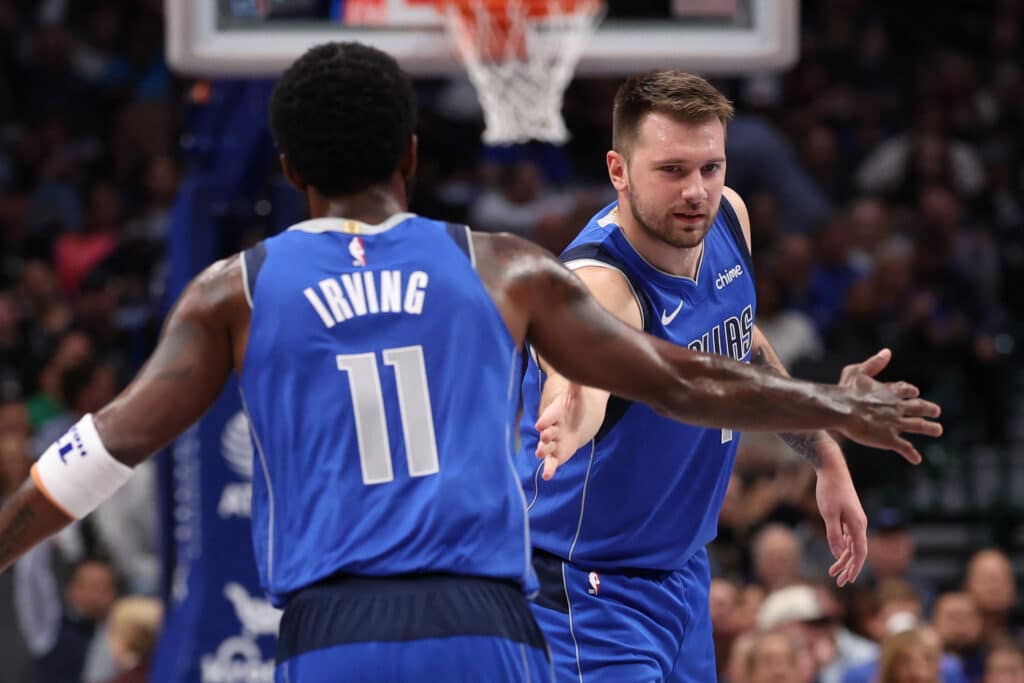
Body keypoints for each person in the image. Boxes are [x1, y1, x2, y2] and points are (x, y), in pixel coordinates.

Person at [0, 44, 941, 683]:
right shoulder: (500, 266)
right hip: (489, 621)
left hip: (337, 628)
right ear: (412, 154)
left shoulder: (233, 291)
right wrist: (830, 405)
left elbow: (103, 450)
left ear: (288, 171)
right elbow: (681, 376)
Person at [519, 70, 938, 682]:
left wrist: (823, 454)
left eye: (709, 168)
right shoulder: (599, 284)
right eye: (671, 170)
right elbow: (580, 381)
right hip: (588, 588)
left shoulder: (728, 217)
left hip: (684, 571)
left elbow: (744, 345)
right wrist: (570, 413)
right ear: (619, 171)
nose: (697, 191)